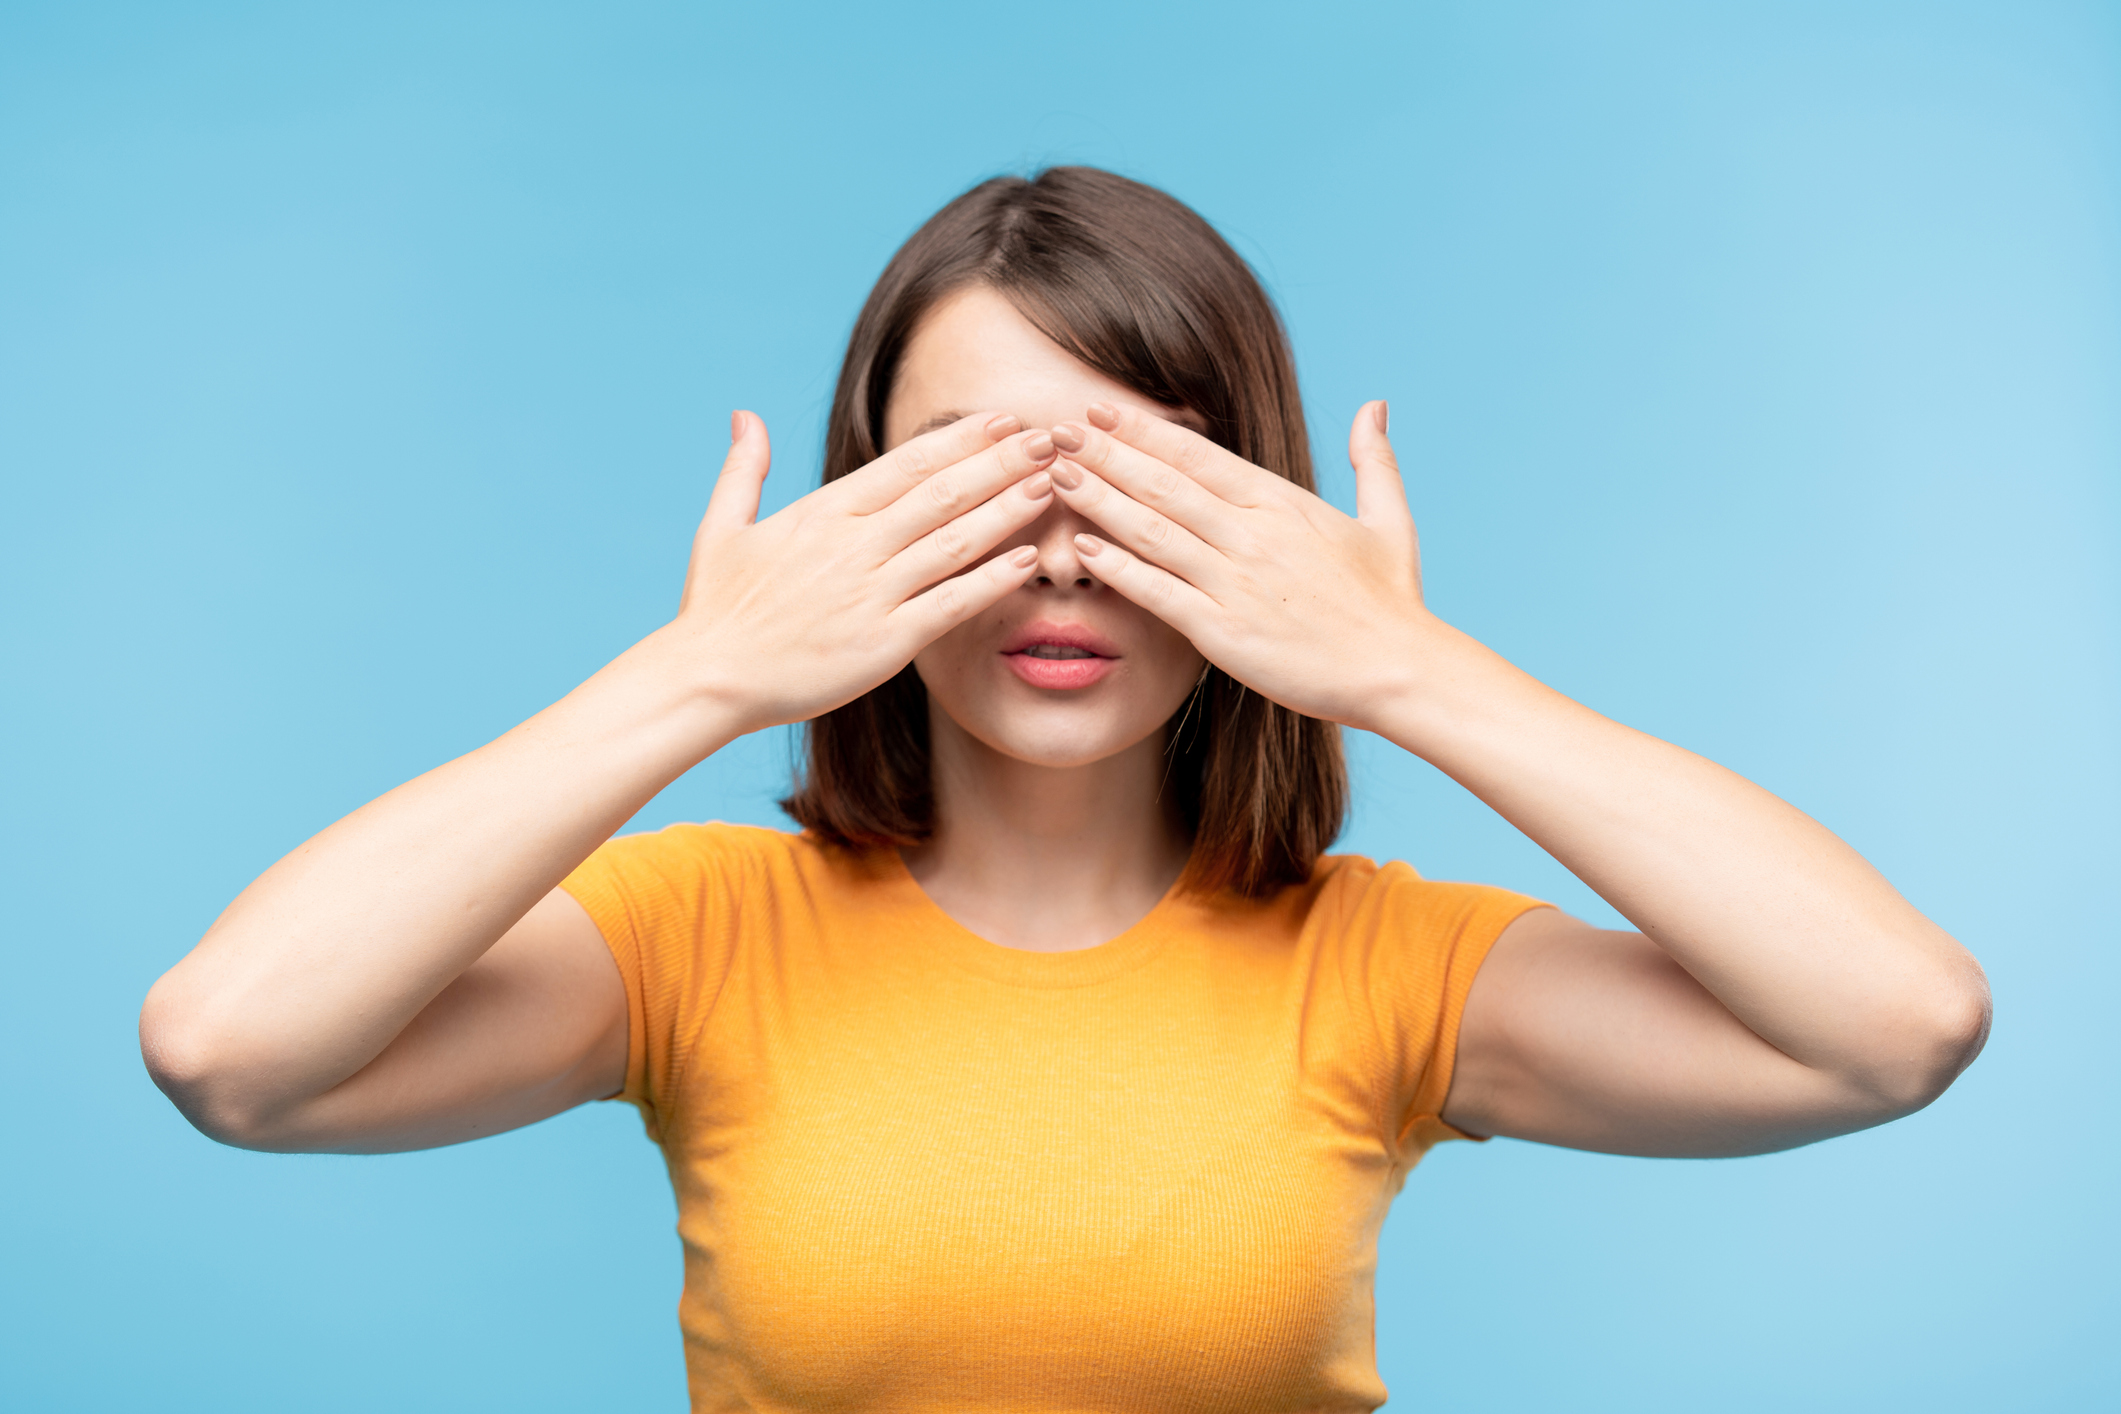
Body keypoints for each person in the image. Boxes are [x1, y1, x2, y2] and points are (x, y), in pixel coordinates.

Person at [140, 167, 1990, 1411]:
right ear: (858, 517)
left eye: (1141, 490)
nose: (1058, 563)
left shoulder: (1384, 971)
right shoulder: (695, 936)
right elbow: (233, 1050)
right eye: (970, 485)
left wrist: (1408, 669)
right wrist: (702, 669)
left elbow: (1891, 1026)